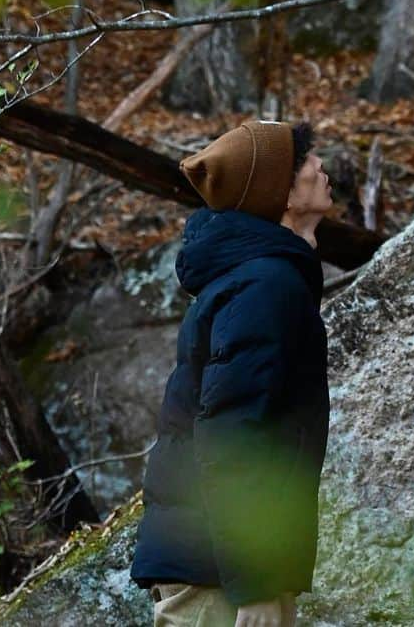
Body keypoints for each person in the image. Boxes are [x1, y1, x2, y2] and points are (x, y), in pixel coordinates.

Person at [131, 119, 334, 627]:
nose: (319, 166)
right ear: (280, 193)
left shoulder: (261, 278)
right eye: (305, 161)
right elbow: (231, 433)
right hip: (216, 571)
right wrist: (256, 582)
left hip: (217, 561)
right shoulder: (266, 285)